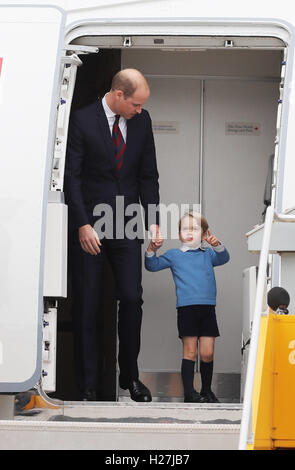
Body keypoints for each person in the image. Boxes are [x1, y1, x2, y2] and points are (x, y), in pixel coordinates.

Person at [64, 68, 162, 402]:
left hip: (128, 224)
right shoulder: (81, 120)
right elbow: (71, 177)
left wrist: (153, 221)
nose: (139, 110)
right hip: (90, 225)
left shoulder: (142, 122)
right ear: (118, 95)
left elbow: (148, 175)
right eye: (135, 104)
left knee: (132, 299)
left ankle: (130, 378)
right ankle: (88, 385)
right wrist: (81, 223)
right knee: (88, 304)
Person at [145, 211, 230, 403]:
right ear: (179, 233)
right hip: (186, 309)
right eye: (185, 228)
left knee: (207, 352)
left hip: (207, 308)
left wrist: (216, 244)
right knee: (190, 352)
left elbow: (224, 258)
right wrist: (151, 249)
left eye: (195, 228)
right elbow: (152, 265)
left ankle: (206, 391)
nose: (190, 232)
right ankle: (190, 393)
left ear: (204, 233)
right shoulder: (175, 255)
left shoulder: (208, 254)